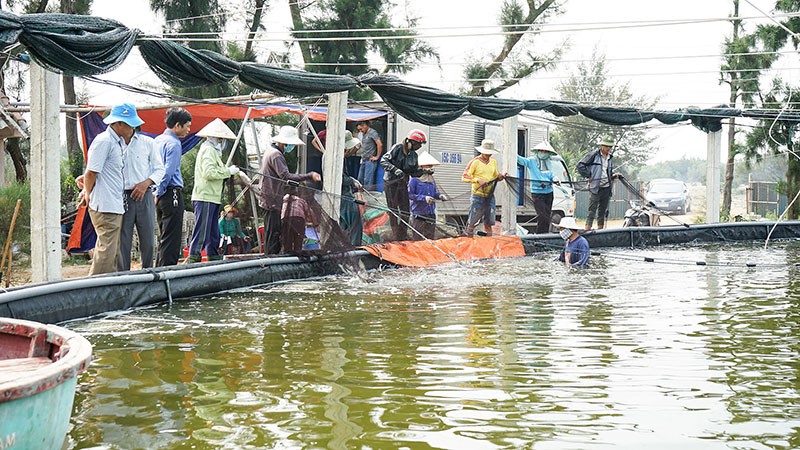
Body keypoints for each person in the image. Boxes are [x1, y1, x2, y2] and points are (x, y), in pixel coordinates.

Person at [81, 103, 143, 275]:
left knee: (111, 250)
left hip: (113, 204)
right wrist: (88, 193)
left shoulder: (116, 143)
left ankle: (104, 287)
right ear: (119, 124)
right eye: (130, 124)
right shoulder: (104, 141)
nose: (133, 128)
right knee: (106, 251)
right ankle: (96, 289)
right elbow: (91, 173)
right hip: (105, 204)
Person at [259, 125, 321, 255]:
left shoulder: (271, 151)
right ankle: (271, 261)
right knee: (273, 234)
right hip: (271, 200)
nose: (291, 147)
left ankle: (272, 258)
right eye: (289, 144)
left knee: (274, 233)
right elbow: (285, 176)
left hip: (271, 198)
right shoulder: (276, 155)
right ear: (283, 142)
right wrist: (309, 175)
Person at [187, 119, 240, 263]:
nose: (222, 142)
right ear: (215, 138)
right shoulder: (208, 150)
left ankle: (213, 259)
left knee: (213, 233)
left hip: (213, 197)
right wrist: (228, 171)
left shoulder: (214, 152)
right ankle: (193, 260)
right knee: (202, 232)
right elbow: (209, 173)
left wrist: (227, 171)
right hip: (205, 196)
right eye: (221, 139)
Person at [116, 129, 165, 271]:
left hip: (145, 194)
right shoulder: (113, 144)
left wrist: (146, 183)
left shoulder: (148, 143)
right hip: (122, 195)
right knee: (123, 240)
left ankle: (148, 272)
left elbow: (159, 169)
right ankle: (123, 276)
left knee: (148, 239)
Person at [154, 107, 192, 266]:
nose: (188, 130)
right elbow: (167, 172)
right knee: (172, 236)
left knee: (164, 234)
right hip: (171, 192)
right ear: (177, 125)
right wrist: (159, 191)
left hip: (158, 193)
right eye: (187, 126)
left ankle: (159, 269)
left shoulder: (157, 141)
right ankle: (168, 271)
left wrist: (155, 191)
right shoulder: (174, 143)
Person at [380, 128, 428, 241]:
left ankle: (402, 235)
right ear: (410, 142)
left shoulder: (414, 156)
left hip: (403, 184)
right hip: (391, 183)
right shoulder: (397, 148)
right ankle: (395, 234)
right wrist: (394, 169)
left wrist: (425, 172)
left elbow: (413, 172)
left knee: (405, 211)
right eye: (418, 144)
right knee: (393, 210)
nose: (419, 147)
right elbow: (384, 161)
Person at [576, 135, 623, 230]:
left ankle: (600, 230)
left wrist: (613, 175)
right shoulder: (593, 155)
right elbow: (580, 166)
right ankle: (587, 230)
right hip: (595, 187)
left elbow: (607, 171)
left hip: (606, 187)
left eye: (610, 147)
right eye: (606, 146)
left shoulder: (610, 158)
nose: (608, 148)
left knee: (602, 211)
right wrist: (589, 175)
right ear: (602, 146)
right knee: (591, 211)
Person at [462, 139, 507, 237]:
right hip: (477, 195)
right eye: (486, 153)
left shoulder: (493, 162)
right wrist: (477, 180)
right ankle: (469, 242)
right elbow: (464, 176)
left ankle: (488, 243)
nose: (488, 155)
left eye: (490, 153)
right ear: (481, 151)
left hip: (489, 196)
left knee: (489, 222)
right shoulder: (475, 162)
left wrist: (500, 177)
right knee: (472, 221)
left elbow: (495, 176)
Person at [517, 140, 558, 234]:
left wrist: (555, 179)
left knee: (547, 216)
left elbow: (551, 175)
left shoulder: (549, 163)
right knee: (542, 216)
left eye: (546, 151)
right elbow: (521, 160)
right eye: (541, 151)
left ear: (549, 154)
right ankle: (540, 235)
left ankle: (545, 234)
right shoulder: (531, 161)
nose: (543, 153)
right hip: (537, 193)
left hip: (549, 192)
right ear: (538, 151)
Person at [408, 151, 448, 240]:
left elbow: (433, 193)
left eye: (431, 166)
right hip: (419, 212)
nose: (430, 168)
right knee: (418, 237)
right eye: (428, 166)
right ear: (421, 167)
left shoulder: (431, 179)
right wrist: (423, 198)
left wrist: (440, 196)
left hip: (430, 212)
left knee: (430, 236)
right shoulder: (414, 179)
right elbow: (410, 195)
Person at [340, 132, 364, 246]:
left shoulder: (341, 157)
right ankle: (355, 248)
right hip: (342, 196)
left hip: (344, 194)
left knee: (343, 224)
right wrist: (352, 181)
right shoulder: (336, 158)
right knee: (355, 222)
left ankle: (345, 248)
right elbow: (340, 179)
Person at [281, 184, 317, 254]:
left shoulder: (282, 201)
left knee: (287, 242)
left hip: (285, 221)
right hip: (298, 221)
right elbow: (310, 213)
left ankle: (287, 255)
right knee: (298, 242)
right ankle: (298, 254)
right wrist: (316, 224)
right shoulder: (301, 201)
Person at [356, 120, 383, 189]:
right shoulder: (364, 134)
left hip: (370, 160)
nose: (360, 131)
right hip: (364, 159)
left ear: (364, 125)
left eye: (361, 129)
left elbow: (379, 144)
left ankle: (368, 197)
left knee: (368, 180)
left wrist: (377, 157)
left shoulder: (372, 133)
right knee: (360, 180)